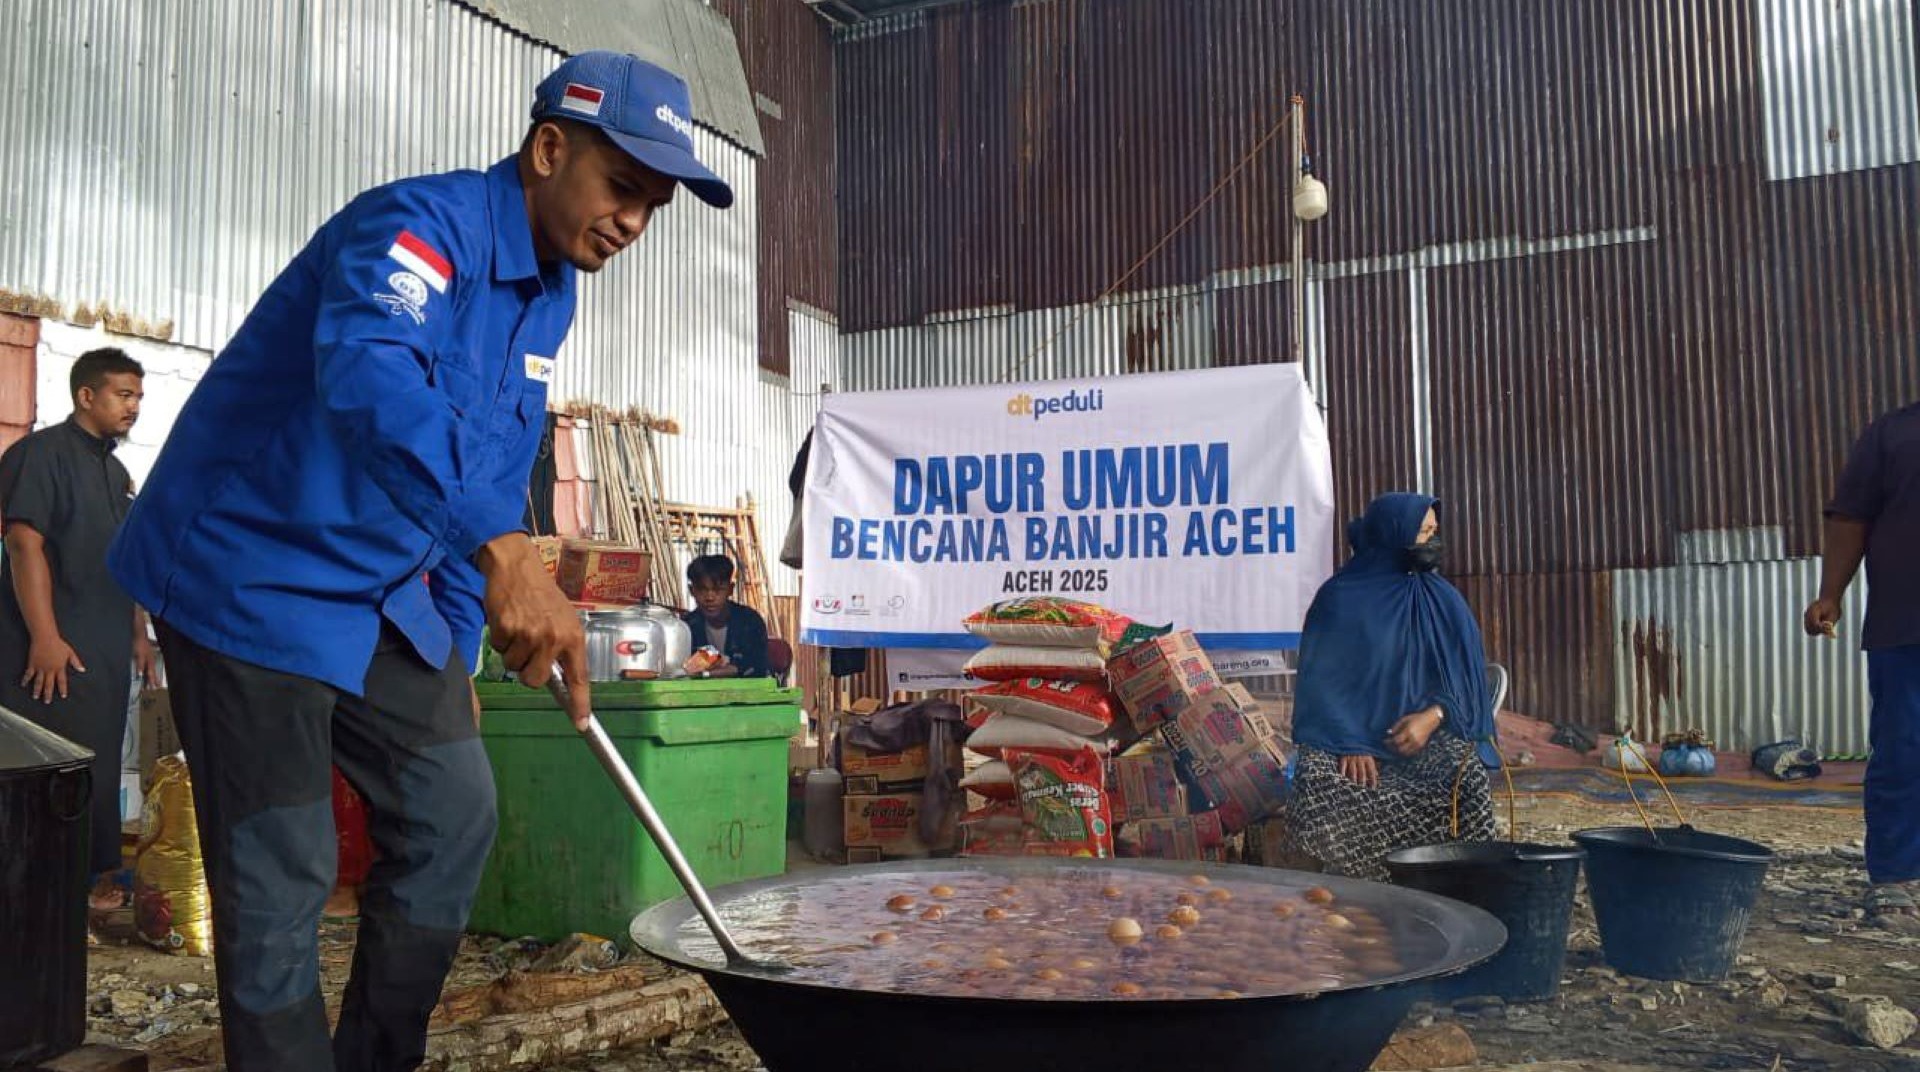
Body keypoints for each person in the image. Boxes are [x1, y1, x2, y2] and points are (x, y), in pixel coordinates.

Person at [105, 52, 734, 1072]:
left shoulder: (552, 293)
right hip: (250, 572)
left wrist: (458, 639)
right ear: (547, 148)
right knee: (284, 871)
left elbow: (482, 457)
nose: (632, 222)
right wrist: (509, 552)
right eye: (623, 187)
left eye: (653, 206)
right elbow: (372, 376)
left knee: (453, 813)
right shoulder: (412, 230)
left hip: (383, 588)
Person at [0, 348, 159, 920]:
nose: (134, 407)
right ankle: (38, 896)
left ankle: (86, 887)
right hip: (47, 651)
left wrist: (137, 633)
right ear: (86, 396)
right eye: (123, 394)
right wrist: (44, 635)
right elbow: (24, 542)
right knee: (51, 767)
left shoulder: (115, 472)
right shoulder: (38, 456)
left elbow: (125, 560)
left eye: (138, 396)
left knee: (94, 765)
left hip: (104, 646)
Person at [1282, 493, 1498, 881]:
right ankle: (1355, 885)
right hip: (1347, 745)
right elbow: (1320, 683)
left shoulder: (1442, 600)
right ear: (1391, 534)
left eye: (1434, 532)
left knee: (1467, 780)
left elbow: (1467, 682)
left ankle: (1454, 881)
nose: (1431, 543)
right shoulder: (1339, 598)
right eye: (1422, 532)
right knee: (1314, 783)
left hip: (1423, 742)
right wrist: (1348, 740)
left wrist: (1433, 716)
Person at [1804, 400, 1920, 921]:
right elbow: (1851, 516)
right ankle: (1895, 875)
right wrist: (1832, 593)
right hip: (1906, 625)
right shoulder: (1893, 434)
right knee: (1904, 750)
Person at [682, 553, 770, 679]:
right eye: (702, 590)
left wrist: (705, 673)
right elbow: (685, 667)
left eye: (718, 590)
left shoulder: (750, 621)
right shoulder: (687, 626)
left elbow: (755, 666)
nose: (710, 597)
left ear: (730, 589)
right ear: (692, 591)